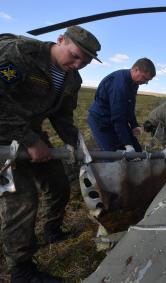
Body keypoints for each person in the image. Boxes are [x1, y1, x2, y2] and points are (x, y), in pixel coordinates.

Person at [0, 26, 101, 282]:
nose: (78, 64)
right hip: (3, 136)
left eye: (86, 62)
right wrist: (30, 140)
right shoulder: (21, 53)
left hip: (31, 134)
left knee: (58, 184)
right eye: (75, 56)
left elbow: (63, 116)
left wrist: (78, 145)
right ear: (60, 40)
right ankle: (20, 269)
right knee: (22, 200)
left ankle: (51, 231)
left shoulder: (72, 79)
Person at [87, 58, 156, 153]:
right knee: (112, 156)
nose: (146, 82)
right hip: (101, 120)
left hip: (115, 119)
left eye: (148, 80)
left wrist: (134, 125)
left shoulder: (134, 83)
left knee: (137, 151)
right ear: (136, 70)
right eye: (145, 78)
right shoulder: (119, 85)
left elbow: (129, 108)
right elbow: (118, 117)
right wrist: (127, 144)